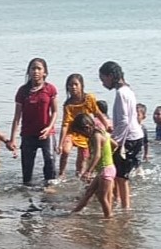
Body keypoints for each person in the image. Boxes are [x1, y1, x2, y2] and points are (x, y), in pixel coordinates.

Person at [98, 61, 145, 210]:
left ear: (111, 76)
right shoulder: (128, 90)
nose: (103, 84)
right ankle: (119, 202)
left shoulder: (121, 93)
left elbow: (124, 121)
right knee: (119, 174)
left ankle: (126, 208)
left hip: (128, 139)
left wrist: (115, 141)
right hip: (134, 136)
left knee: (122, 177)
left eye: (103, 79)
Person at [9, 58, 59, 186]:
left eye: (39, 69)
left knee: (50, 162)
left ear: (45, 73)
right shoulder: (23, 91)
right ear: (29, 72)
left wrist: (49, 128)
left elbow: (55, 112)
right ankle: (28, 196)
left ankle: (49, 190)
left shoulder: (50, 89)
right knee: (27, 172)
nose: (36, 71)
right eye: (33, 68)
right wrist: (12, 139)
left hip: (46, 133)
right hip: (28, 134)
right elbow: (17, 117)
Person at [58, 74, 108, 180]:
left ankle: (80, 176)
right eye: (70, 85)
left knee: (82, 158)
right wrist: (60, 144)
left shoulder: (89, 98)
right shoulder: (68, 105)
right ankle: (61, 174)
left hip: (84, 131)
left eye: (76, 84)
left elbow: (97, 112)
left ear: (82, 85)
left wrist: (106, 124)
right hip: (72, 131)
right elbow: (65, 124)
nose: (73, 87)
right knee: (65, 150)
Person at [68, 115, 116, 219]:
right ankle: (74, 213)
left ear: (87, 127)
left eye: (81, 133)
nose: (82, 136)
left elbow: (97, 155)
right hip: (105, 169)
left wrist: (88, 171)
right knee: (89, 192)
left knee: (102, 198)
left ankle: (109, 218)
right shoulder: (102, 133)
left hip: (106, 170)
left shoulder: (96, 136)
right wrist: (109, 154)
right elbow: (115, 145)